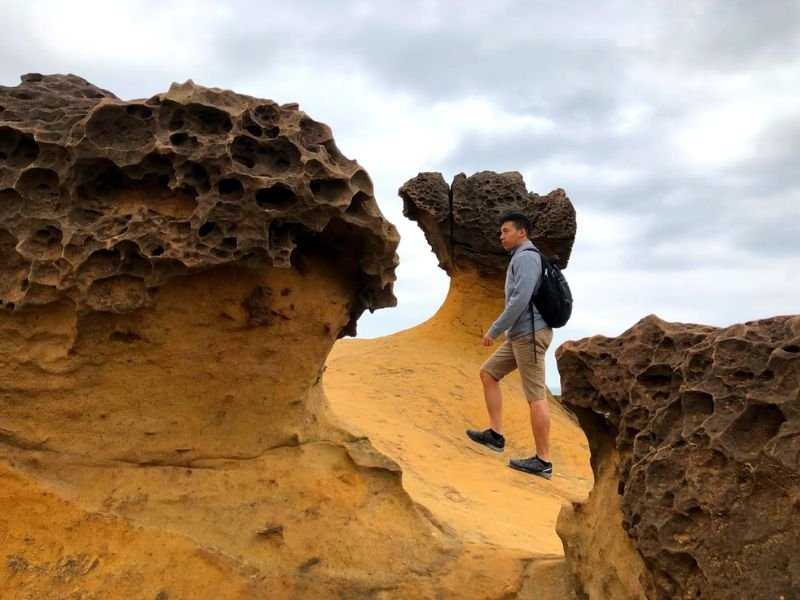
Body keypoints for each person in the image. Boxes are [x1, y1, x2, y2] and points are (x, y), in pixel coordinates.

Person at [466, 212, 554, 480]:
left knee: (535, 396)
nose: (501, 236)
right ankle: (495, 435)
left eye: (505, 231)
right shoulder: (519, 257)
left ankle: (544, 461)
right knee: (488, 372)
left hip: (530, 335)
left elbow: (520, 299)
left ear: (521, 232)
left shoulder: (527, 257)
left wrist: (495, 329)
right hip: (520, 335)